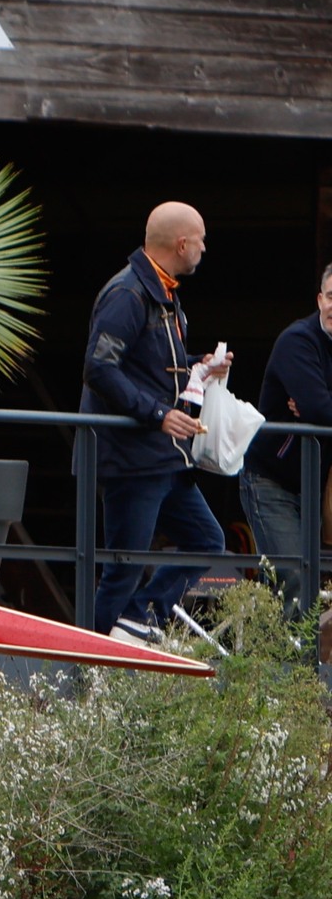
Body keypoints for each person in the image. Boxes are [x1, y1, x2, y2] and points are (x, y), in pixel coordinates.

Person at [79, 201, 232, 643]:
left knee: (207, 540)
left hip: (162, 457)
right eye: (201, 239)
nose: (204, 248)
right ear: (182, 243)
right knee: (120, 571)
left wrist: (198, 365)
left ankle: (142, 616)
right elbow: (99, 368)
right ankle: (87, 669)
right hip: (132, 456)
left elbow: (149, 364)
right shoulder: (128, 293)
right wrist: (158, 413)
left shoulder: (161, 291)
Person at [240, 264, 332, 621]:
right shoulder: (298, 340)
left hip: (313, 486)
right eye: (331, 297)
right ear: (320, 299)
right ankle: (289, 675)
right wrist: (316, 406)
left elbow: (319, 406)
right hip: (270, 480)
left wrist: (320, 403)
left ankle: (285, 664)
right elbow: (317, 408)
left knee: (302, 581)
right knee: (293, 577)